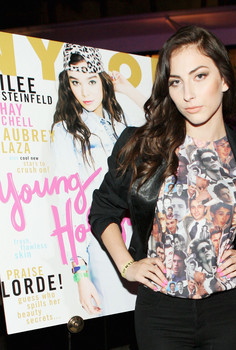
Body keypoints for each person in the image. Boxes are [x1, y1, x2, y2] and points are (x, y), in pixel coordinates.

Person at [89, 25, 236, 350]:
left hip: (227, 308)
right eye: (176, 81)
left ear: (225, 79)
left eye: (200, 76)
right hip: (160, 312)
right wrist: (127, 266)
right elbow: (103, 211)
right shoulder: (142, 146)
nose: (187, 94)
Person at [51, 43, 147, 315]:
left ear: (104, 80)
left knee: (152, 325)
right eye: (76, 82)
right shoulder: (66, 131)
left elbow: (164, 119)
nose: (85, 91)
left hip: (141, 236)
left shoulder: (123, 125)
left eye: (92, 81)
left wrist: (127, 88)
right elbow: (68, 200)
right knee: (116, 327)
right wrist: (80, 273)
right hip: (103, 241)